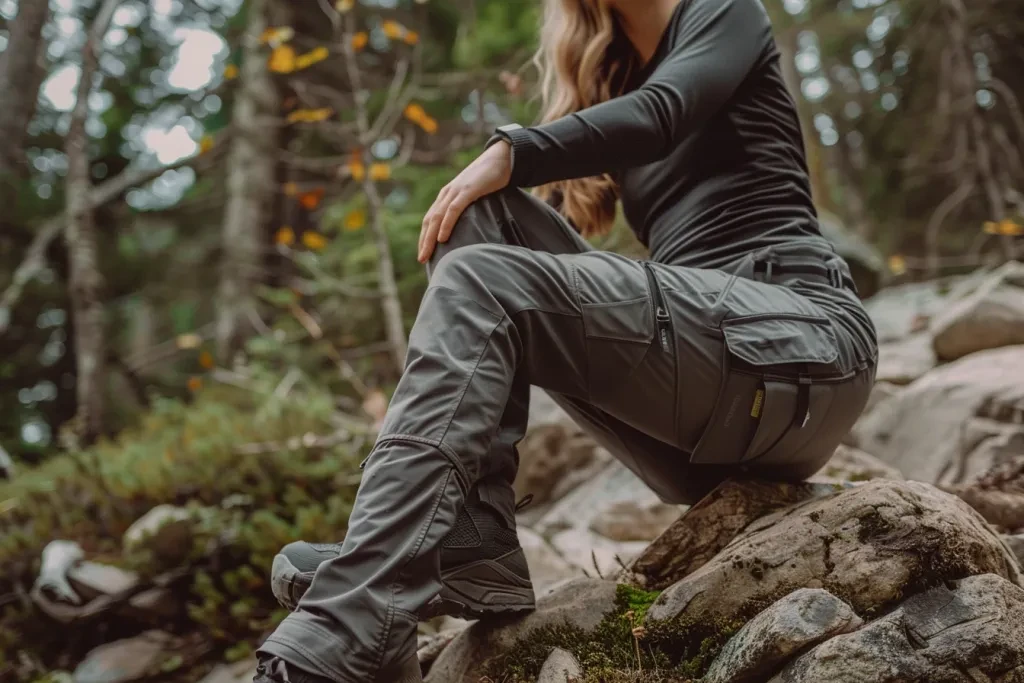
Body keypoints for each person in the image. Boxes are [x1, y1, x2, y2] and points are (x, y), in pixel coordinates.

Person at [253, 0, 878, 680]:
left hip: (805, 343)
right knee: (476, 223)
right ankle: (469, 538)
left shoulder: (723, 12)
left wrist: (513, 149)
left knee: (487, 263)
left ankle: (351, 619)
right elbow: (502, 272)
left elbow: (665, 109)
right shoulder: (610, 75)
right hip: (701, 424)